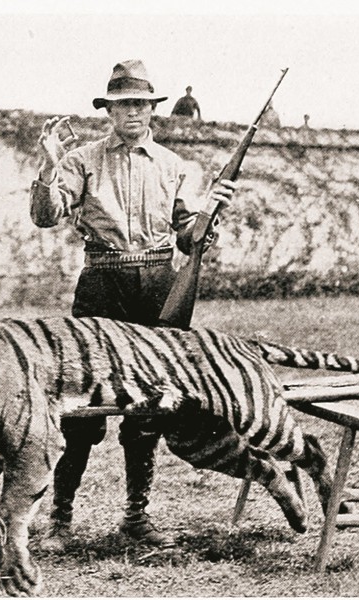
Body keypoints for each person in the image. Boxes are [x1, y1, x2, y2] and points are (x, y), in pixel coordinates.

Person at [30, 59, 236, 550]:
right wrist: (49, 166)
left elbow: (188, 237)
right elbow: (45, 215)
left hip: (157, 288)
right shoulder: (81, 160)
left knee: (149, 407)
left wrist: (212, 212)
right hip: (102, 286)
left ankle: (136, 516)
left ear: (153, 109)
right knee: (81, 406)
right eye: (122, 105)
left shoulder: (172, 165)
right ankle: (61, 518)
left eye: (141, 104)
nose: (133, 113)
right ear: (109, 110)